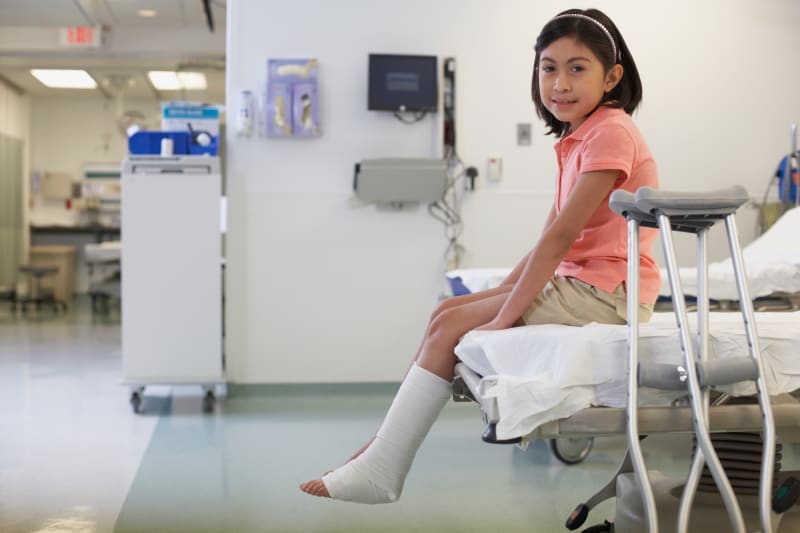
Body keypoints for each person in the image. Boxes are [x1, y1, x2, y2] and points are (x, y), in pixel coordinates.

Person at [300, 7, 660, 504]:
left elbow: (560, 242)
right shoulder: (580, 137)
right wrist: (497, 294)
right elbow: (547, 241)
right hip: (584, 285)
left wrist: (503, 317)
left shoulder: (611, 133)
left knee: (452, 326)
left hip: (609, 296)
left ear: (612, 76)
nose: (560, 82)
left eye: (577, 68)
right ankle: (377, 452)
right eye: (548, 67)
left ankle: (381, 465)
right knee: (447, 312)